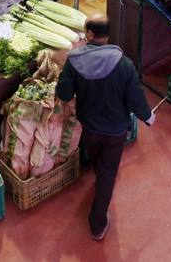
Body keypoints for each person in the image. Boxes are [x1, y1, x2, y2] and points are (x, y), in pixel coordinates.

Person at [55, 16, 154, 241]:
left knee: (97, 156)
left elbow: (64, 94)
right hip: (116, 129)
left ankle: (98, 170)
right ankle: (97, 224)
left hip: (89, 125)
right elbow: (136, 98)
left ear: (89, 34)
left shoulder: (74, 61)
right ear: (107, 35)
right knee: (108, 174)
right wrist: (148, 116)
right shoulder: (124, 64)